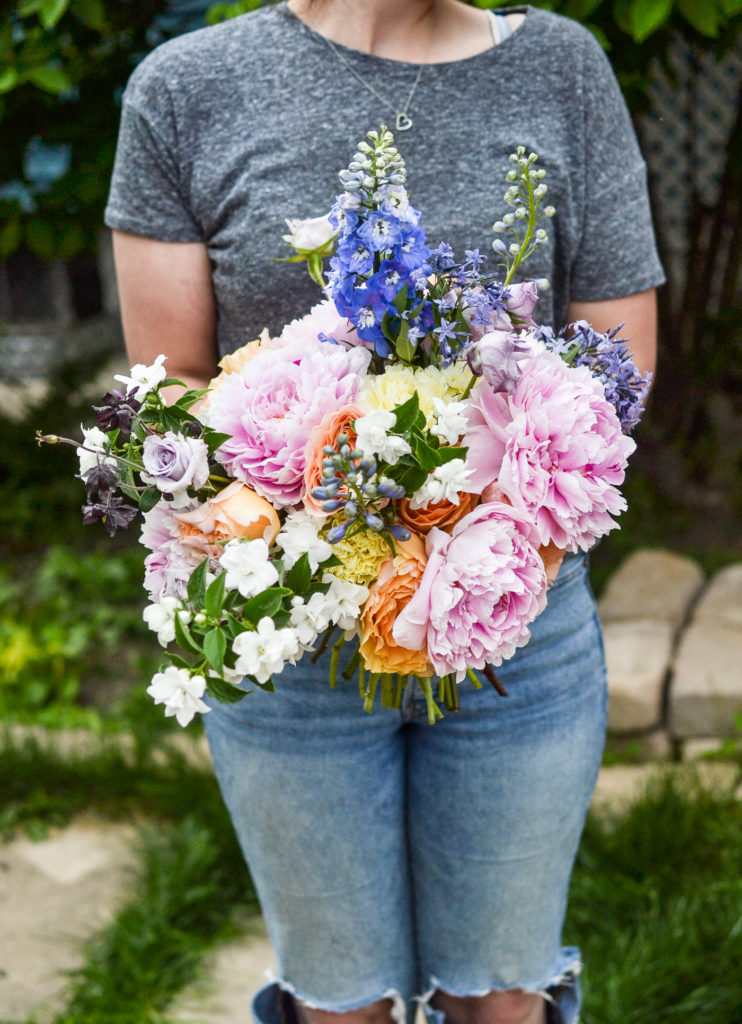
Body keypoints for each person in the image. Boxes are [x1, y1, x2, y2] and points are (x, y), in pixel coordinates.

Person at [105, 3, 664, 1023]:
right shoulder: (187, 89)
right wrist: (330, 451)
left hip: (511, 633)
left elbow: (616, 374)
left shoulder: (561, 68)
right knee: (338, 1004)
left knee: (503, 996)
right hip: (290, 642)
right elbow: (170, 384)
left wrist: (468, 508)